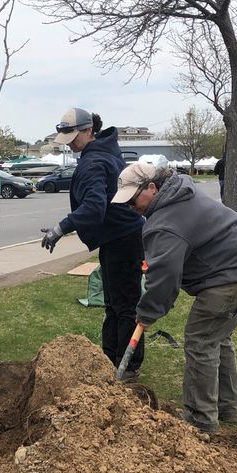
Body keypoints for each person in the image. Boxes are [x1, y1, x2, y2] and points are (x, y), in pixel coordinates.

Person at [112, 162, 237, 433]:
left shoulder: (164, 223)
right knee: (217, 338)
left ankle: (200, 420)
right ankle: (226, 408)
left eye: (133, 199)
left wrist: (147, 313)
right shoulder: (182, 191)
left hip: (233, 276)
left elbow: (164, 278)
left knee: (200, 341)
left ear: (152, 187)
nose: (130, 206)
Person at [40, 108, 146, 378]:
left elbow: (94, 207)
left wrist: (61, 228)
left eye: (74, 136)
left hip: (121, 238)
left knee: (124, 305)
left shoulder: (94, 162)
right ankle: (110, 359)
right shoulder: (104, 152)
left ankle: (127, 366)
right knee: (115, 303)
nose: (72, 143)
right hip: (120, 236)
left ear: (89, 131)